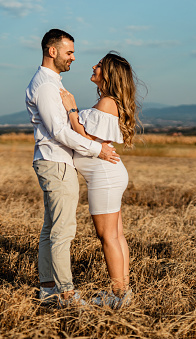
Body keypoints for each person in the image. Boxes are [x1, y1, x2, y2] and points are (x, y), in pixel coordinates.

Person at [26, 29, 119, 308]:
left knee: (51, 228)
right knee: (62, 231)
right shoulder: (45, 85)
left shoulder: (52, 83)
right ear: (52, 51)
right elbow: (58, 132)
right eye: (69, 52)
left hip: (55, 160)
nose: (74, 58)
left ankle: (48, 289)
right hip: (55, 160)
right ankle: (66, 295)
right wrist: (97, 149)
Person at [59, 51, 140, 309]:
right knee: (116, 235)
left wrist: (71, 109)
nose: (93, 66)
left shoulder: (107, 103)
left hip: (104, 177)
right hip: (109, 174)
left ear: (109, 74)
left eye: (100, 65)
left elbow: (86, 137)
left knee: (108, 238)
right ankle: (123, 292)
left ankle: (118, 295)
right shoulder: (108, 101)